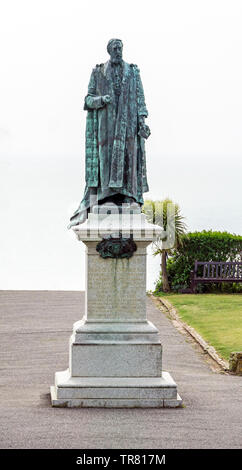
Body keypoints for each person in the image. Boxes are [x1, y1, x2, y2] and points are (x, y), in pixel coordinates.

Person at [69, 39, 150, 227]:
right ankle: (105, 198)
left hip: (128, 125)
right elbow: (87, 100)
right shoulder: (98, 72)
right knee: (105, 162)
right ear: (109, 51)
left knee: (129, 159)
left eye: (120, 48)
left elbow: (140, 100)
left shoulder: (133, 72)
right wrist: (101, 100)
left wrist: (142, 122)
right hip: (106, 128)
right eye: (114, 48)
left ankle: (129, 197)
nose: (118, 51)